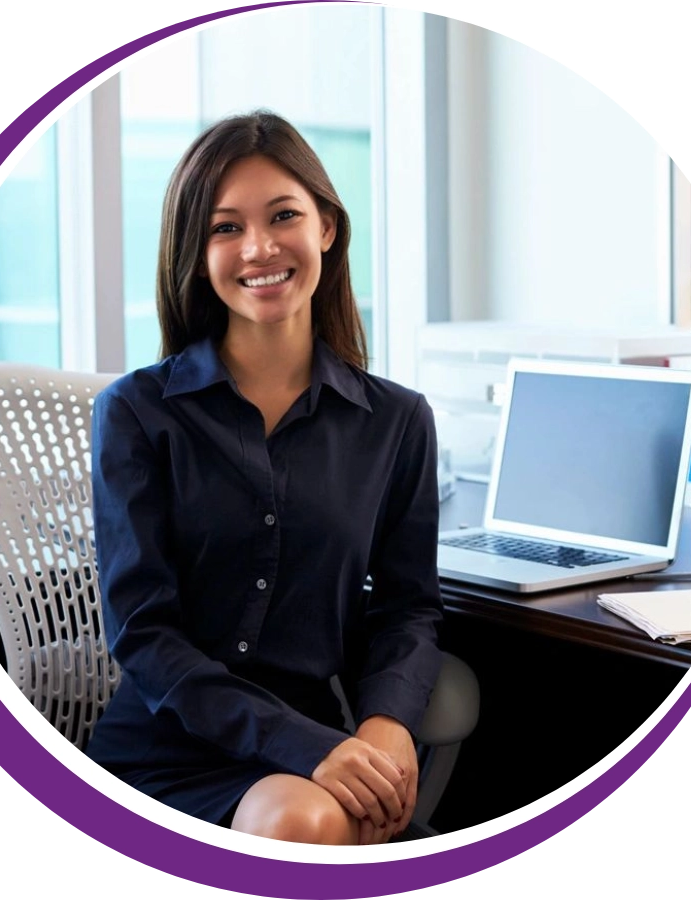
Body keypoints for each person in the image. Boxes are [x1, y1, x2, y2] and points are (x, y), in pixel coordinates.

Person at [85, 110, 444, 846]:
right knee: (305, 820)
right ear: (196, 249)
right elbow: (143, 633)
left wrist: (388, 725)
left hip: (321, 750)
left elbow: (408, 608)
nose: (259, 247)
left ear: (327, 230)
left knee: (312, 814)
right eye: (225, 228)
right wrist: (313, 747)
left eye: (285, 215)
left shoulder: (397, 422)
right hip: (166, 745)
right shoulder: (137, 413)